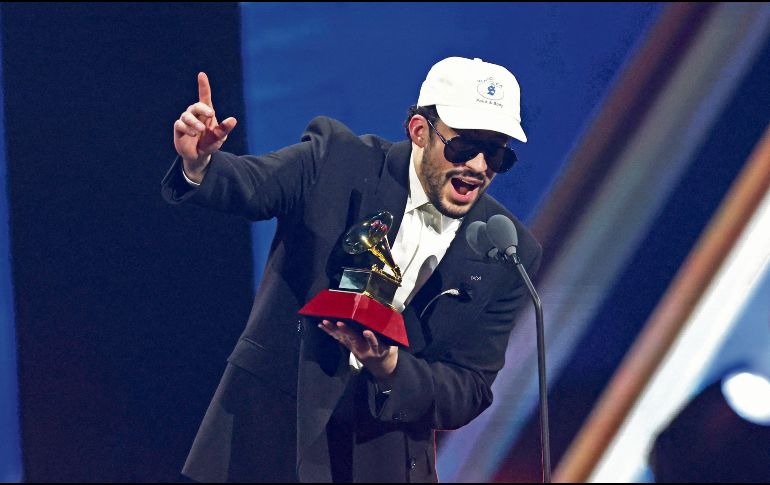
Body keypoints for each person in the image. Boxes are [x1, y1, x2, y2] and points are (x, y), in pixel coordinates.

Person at [162, 56, 542, 483]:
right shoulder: (338, 161)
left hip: (382, 454)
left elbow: (468, 389)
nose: (478, 166)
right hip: (272, 432)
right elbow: (254, 184)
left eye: (496, 153)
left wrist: (391, 366)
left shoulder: (508, 251)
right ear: (419, 131)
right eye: (463, 147)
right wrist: (201, 165)